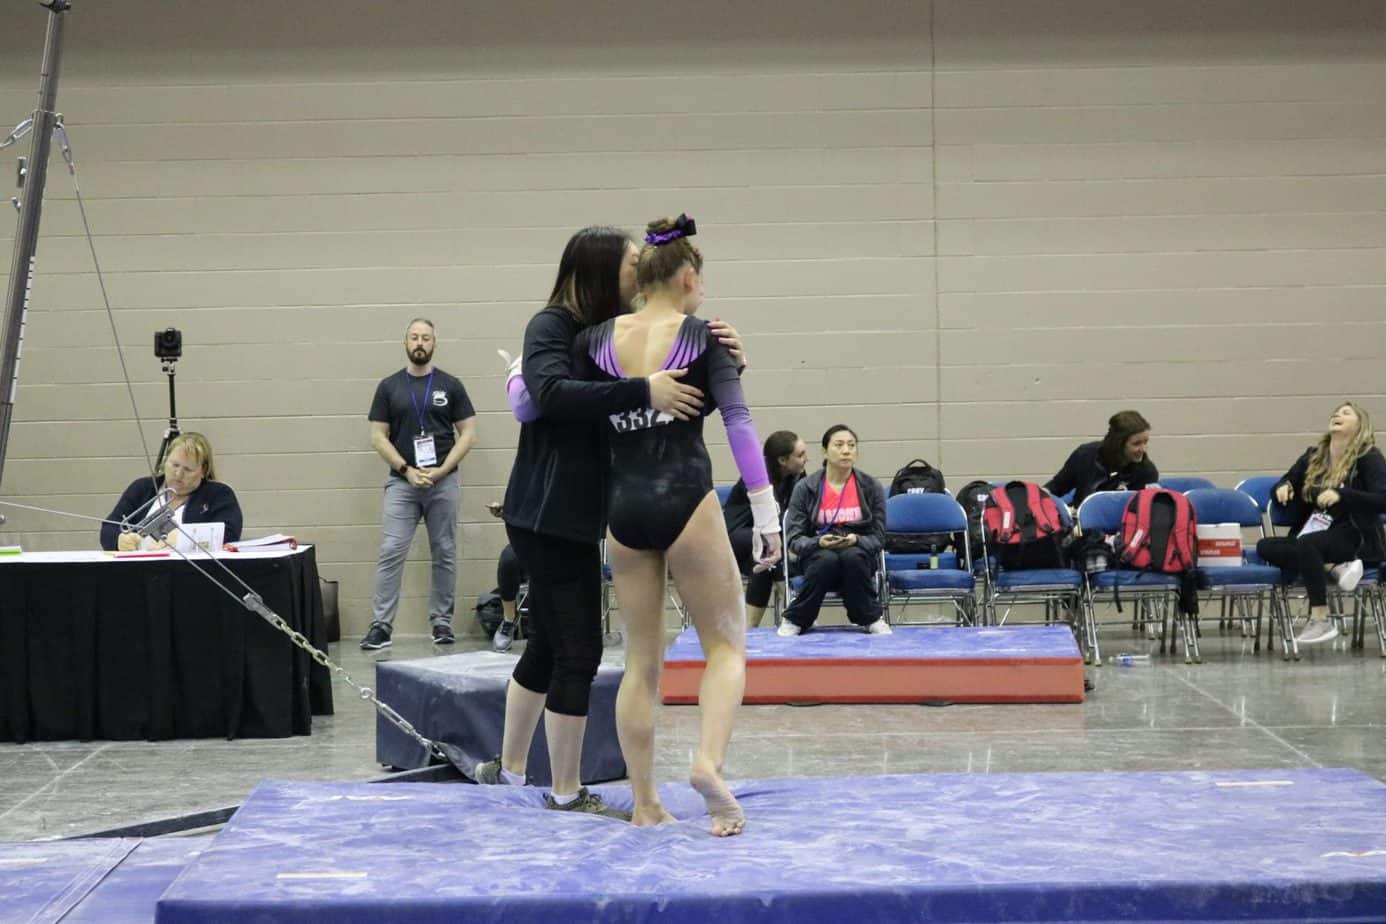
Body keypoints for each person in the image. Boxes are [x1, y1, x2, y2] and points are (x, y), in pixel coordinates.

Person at [476, 225, 743, 820]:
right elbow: (544, 395)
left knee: (551, 643)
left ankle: (510, 769)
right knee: (581, 650)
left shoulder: (605, 333)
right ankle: (566, 790)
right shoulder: (555, 327)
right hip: (548, 511)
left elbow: (677, 370)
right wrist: (643, 389)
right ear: (599, 270)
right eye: (629, 262)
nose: (638, 269)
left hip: (594, 509)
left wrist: (722, 356)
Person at [572, 214, 780, 836]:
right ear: (688, 277)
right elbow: (738, 422)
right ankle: (707, 763)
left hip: (624, 507)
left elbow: (557, 405)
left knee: (640, 662)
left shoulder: (593, 341)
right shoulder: (702, 337)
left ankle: (644, 802)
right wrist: (765, 510)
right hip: (686, 497)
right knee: (726, 646)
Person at [360, 319, 477, 650]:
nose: (420, 343)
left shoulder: (451, 385)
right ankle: (381, 626)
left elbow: (468, 433)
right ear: (405, 343)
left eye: (426, 338)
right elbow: (377, 436)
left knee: (445, 552)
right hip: (402, 483)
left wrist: (442, 470)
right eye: (414, 337)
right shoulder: (389, 387)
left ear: (434, 343)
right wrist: (406, 469)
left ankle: (441, 622)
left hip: (444, 483)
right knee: (391, 550)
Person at [1256, 401, 1386, 645]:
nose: (1337, 414)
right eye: (1336, 412)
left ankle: (1320, 619)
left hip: (1353, 534)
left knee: (1308, 545)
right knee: (1265, 546)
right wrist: (1283, 487)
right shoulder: (1313, 456)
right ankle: (1333, 567)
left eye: (1346, 413)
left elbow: (1383, 499)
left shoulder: (1368, 457)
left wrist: (1342, 495)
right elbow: (1286, 480)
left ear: (1360, 425)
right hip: (1316, 531)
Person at [778, 424, 888, 636]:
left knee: (852, 557)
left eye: (851, 445)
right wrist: (817, 542)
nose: (846, 450)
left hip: (858, 553)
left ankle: (870, 618)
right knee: (826, 560)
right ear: (824, 451)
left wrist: (857, 540)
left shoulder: (871, 487)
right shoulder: (806, 488)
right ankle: (797, 619)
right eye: (839, 445)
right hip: (817, 554)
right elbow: (794, 538)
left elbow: (879, 537)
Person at [100, 432, 242, 551]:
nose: (178, 474)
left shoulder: (219, 494)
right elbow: (109, 527)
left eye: (188, 470)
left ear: (203, 471)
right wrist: (118, 540)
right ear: (165, 461)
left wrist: (184, 539)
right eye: (174, 465)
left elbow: (229, 533)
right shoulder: (142, 488)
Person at [724, 430, 807, 626]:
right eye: (800, 455)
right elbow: (774, 520)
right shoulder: (757, 477)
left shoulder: (797, 476)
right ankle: (798, 614)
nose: (806, 459)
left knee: (765, 566)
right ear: (782, 460)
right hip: (735, 536)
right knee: (770, 549)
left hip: (764, 540)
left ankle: (749, 629)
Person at [1046, 410, 1158, 508]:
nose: (1143, 449)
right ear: (1118, 443)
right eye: (1136, 444)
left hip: (1120, 524)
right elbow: (1055, 487)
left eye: (1145, 442)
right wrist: (1037, 498)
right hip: (1078, 519)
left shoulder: (1147, 472)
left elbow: (1141, 514)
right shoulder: (1085, 454)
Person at [485, 501, 527, 652]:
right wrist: (505, 511)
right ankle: (509, 619)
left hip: (562, 541)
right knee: (509, 560)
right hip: (531, 540)